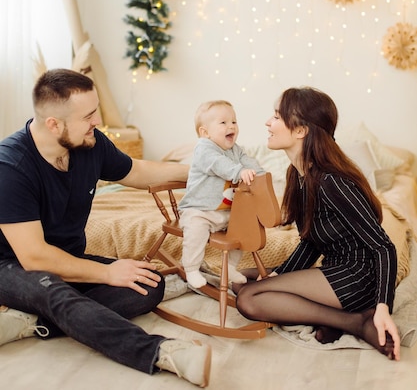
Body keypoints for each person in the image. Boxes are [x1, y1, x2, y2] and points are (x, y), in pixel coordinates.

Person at [0, 69, 211, 387]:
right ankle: (164, 353)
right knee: (58, 294)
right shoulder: (10, 167)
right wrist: (108, 273)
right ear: (54, 124)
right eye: (87, 116)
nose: (97, 121)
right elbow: (34, 257)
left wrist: (201, 172)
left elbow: (137, 170)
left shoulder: (90, 143)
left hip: (65, 257)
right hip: (11, 264)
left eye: (95, 110)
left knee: (147, 284)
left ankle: (32, 323)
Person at [234, 86, 401, 361]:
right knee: (242, 280)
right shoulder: (297, 175)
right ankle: (334, 319)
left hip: (359, 277)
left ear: (301, 130)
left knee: (249, 299)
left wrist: (383, 307)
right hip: (335, 269)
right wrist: (278, 277)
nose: (268, 122)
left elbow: (384, 247)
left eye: (277, 116)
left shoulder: (332, 181)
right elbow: (311, 240)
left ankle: (358, 322)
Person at [178, 100, 264, 289]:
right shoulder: (204, 149)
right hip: (198, 209)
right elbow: (218, 164)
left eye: (234, 121)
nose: (231, 126)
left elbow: (248, 161)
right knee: (195, 230)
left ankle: (231, 267)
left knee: (242, 229)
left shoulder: (235, 150)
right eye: (223, 122)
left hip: (225, 213)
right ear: (205, 132)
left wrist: (260, 174)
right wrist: (239, 172)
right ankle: (191, 267)